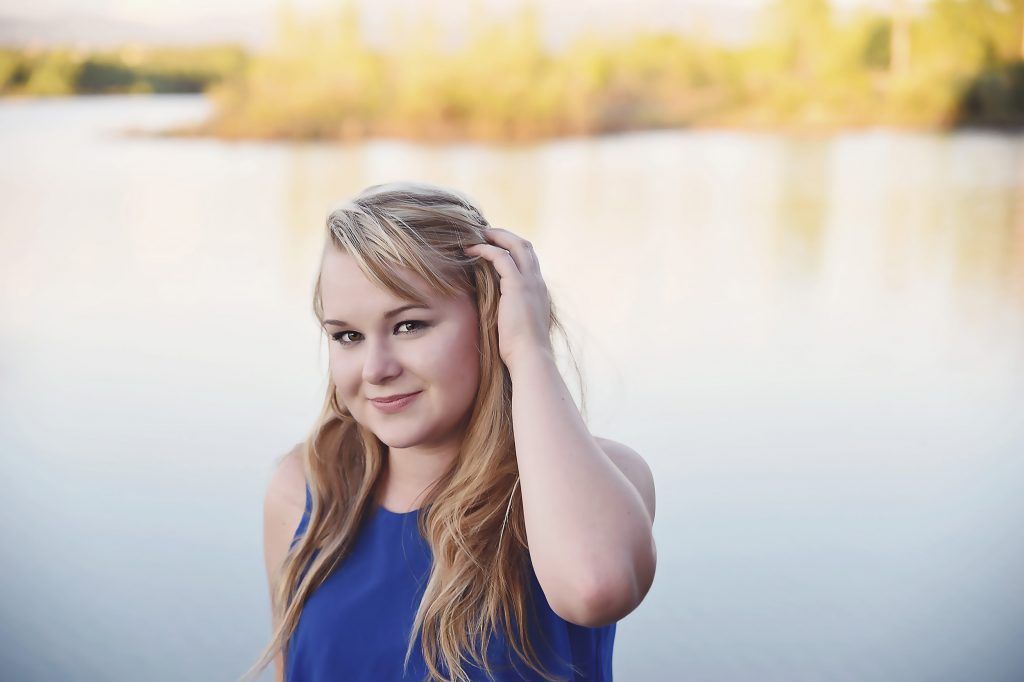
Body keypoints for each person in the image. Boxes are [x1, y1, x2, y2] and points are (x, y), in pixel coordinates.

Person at [242, 181, 656, 682]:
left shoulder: (604, 478)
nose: (375, 368)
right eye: (347, 336)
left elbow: (595, 587)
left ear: (490, 317)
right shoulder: (308, 487)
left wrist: (529, 351)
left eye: (409, 325)